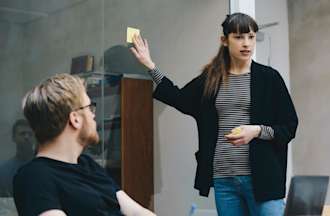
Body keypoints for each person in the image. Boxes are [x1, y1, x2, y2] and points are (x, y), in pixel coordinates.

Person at [131, 13, 298, 216]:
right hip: (224, 180)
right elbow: (179, 98)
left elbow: (289, 126)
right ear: (224, 40)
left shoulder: (269, 78)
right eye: (238, 37)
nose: (246, 43)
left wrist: (256, 131)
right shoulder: (211, 80)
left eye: (251, 37)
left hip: (263, 178)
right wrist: (151, 66)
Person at [13, 74, 156, 216]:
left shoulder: (88, 165)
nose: (93, 115)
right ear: (75, 119)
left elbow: (138, 212)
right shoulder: (34, 177)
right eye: (90, 108)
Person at [0, 119, 35, 197]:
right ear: (13, 137)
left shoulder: (44, 168)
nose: (26, 137)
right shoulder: (3, 171)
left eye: (30, 134)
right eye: (22, 134)